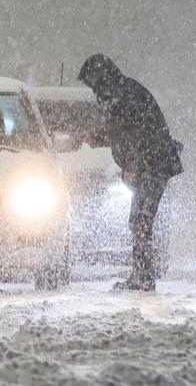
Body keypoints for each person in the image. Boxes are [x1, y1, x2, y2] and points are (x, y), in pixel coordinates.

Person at [78, 54, 183, 291]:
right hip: (151, 163)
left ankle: (144, 277)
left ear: (100, 77)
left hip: (153, 165)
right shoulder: (122, 92)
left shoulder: (124, 96)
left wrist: (134, 166)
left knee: (141, 221)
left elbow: (130, 133)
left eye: (91, 82)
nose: (92, 89)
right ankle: (141, 274)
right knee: (139, 221)